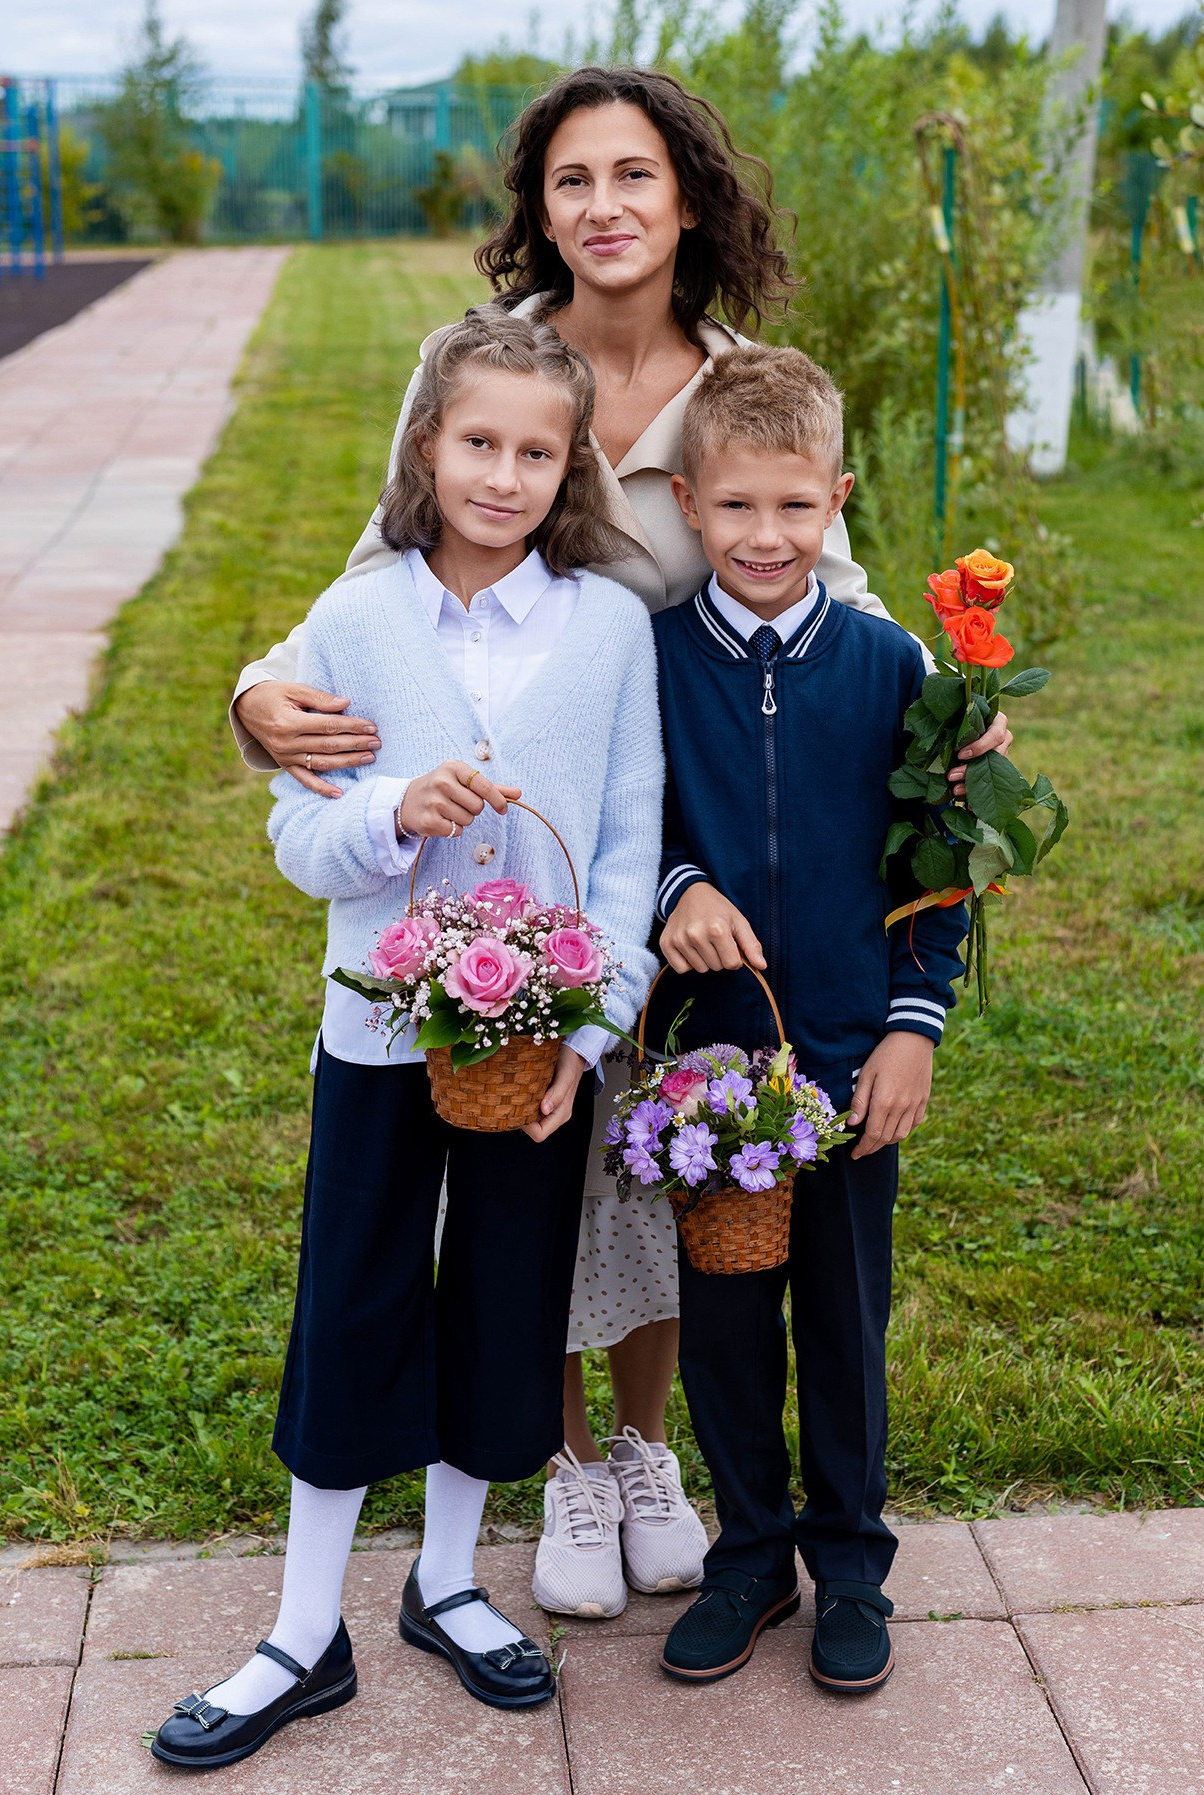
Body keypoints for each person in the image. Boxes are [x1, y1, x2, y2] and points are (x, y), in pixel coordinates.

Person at [226, 66, 1011, 1620]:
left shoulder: (747, 379)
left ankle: (650, 1447)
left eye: (635, 175)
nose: (604, 206)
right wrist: (255, 694)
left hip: (701, 827)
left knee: (658, 1154)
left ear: (689, 198)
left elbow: (828, 586)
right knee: (541, 1151)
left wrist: (951, 715)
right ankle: (569, 1463)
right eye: (573, 178)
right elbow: (371, 585)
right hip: (533, 849)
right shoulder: (484, 373)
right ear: (543, 207)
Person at [151, 310, 662, 1769]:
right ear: (428, 445)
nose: (502, 475)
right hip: (380, 1033)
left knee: (503, 1300)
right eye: (477, 443)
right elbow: (303, 836)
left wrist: (596, 1028)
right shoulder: (363, 616)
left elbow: (625, 841)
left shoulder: (610, 627)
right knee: (356, 1299)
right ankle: (304, 1628)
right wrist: (389, 815)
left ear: (570, 471)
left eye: (535, 453)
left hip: (538, 1041)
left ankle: (447, 1581)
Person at [648, 344, 969, 1694]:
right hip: (716, 1074)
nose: (766, 536)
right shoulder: (653, 662)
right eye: (735, 508)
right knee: (723, 1324)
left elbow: (938, 862)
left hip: (850, 1055)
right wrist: (679, 888)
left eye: (794, 507)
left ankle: (849, 1564)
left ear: (836, 499)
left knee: (845, 1317)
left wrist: (914, 1026)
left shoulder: (894, 666)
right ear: (685, 503)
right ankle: (746, 1557)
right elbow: (629, 826)